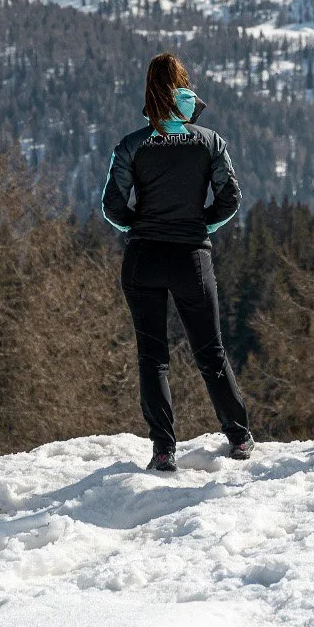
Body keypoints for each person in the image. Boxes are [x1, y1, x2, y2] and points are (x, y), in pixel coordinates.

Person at [101, 53, 255, 472]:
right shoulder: (210, 141)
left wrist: (141, 225)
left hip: (144, 258)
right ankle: (239, 437)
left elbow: (111, 205)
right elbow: (231, 199)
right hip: (192, 258)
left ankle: (163, 449)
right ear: (184, 87)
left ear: (148, 90)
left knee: (153, 358)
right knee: (211, 351)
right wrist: (196, 224)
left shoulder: (132, 144)